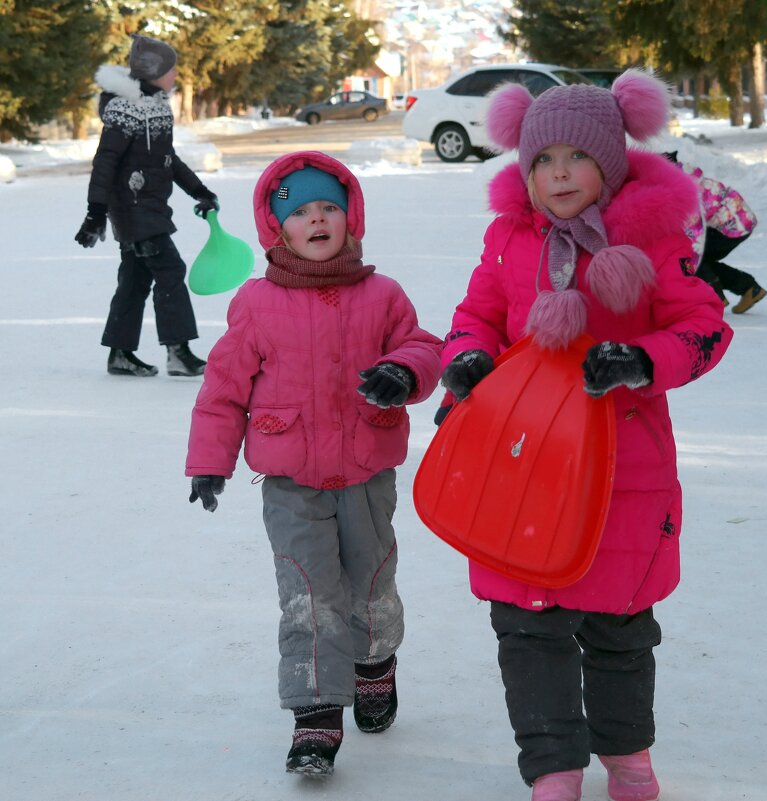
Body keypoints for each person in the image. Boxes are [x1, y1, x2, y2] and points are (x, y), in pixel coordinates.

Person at [438, 72, 733, 801]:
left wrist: (639, 360)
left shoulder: (655, 240)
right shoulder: (508, 238)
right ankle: (552, 766)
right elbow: (474, 315)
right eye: (542, 159)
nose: (558, 172)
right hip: (520, 462)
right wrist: (466, 360)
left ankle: (627, 755)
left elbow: (703, 329)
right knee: (527, 627)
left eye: (576, 156)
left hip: (621, 471)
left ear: (612, 159)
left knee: (619, 625)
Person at [184, 151, 442, 776]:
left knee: (372, 583)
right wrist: (210, 460)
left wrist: (400, 372)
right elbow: (223, 388)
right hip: (291, 480)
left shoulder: (383, 294)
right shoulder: (256, 302)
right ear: (276, 228)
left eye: (329, 207)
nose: (317, 219)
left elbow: (423, 348)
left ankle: (375, 661)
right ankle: (316, 717)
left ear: (351, 217)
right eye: (299, 211)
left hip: (366, 472)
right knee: (307, 591)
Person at [75, 33, 219, 377]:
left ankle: (120, 354)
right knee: (170, 270)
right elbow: (105, 162)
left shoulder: (157, 106)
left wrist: (198, 189)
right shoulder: (125, 110)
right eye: (170, 69)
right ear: (153, 71)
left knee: (135, 280)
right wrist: (95, 212)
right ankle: (178, 351)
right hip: (132, 207)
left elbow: (168, 159)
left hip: (150, 206)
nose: (175, 75)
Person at [663, 151, 767, 313]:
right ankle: (749, 288)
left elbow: (694, 234)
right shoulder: (684, 179)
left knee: (688, 257)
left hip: (732, 225)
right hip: (738, 220)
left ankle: (714, 296)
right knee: (701, 260)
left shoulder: (684, 190)